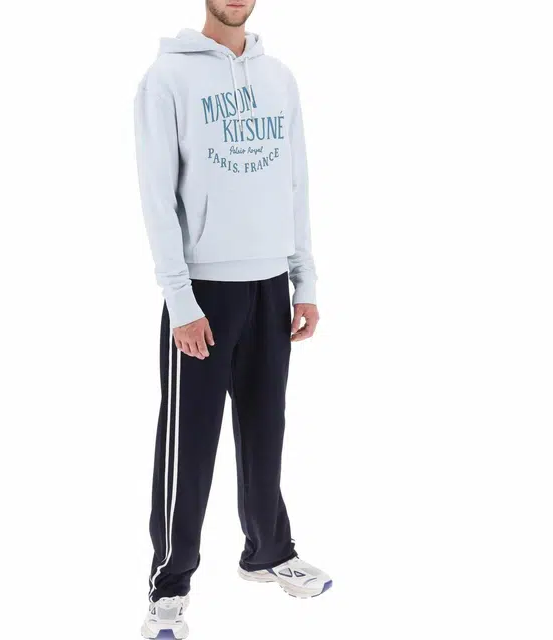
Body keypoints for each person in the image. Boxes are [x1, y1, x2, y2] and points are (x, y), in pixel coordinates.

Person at [134, 1, 331, 637]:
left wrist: (303, 280)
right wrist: (180, 300)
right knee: (189, 445)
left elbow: (296, 182)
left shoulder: (280, 78)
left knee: (266, 429)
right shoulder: (167, 78)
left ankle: (268, 551)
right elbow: (157, 197)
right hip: (204, 292)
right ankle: (169, 585)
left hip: (271, 286)